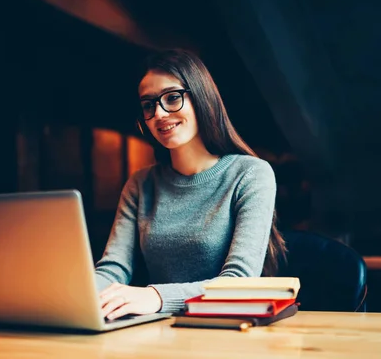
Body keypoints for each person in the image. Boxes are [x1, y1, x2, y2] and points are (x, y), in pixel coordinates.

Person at [95, 49, 287, 319]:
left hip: (228, 334)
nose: (159, 114)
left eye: (172, 98)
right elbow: (113, 269)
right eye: (149, 104)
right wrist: (71, 294)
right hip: (158, 332)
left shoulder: (251, 173)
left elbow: (239, 283)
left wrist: (156, 296)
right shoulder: (141, 184)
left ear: (201, 98)